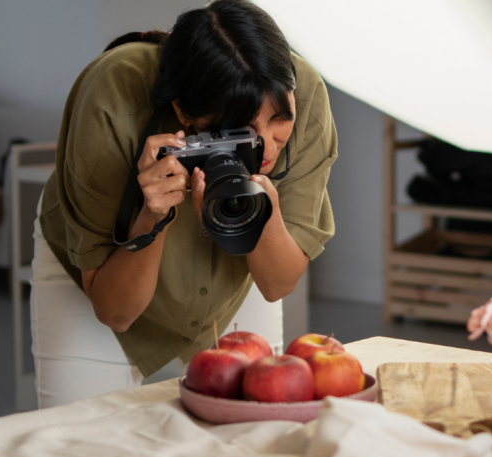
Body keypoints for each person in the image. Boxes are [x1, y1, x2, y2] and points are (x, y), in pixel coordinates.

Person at [30, 0, 337, 408]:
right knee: (79, 446)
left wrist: (266, 211)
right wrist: (152, 215)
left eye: (280, 118)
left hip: (233, 271)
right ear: (183, 113)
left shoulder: (307, 92)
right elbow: (115, 311)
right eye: (239, 132)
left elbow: (277, 283)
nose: (266, 146)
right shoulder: (112, 95)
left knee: (250, 435)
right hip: (105, 270)